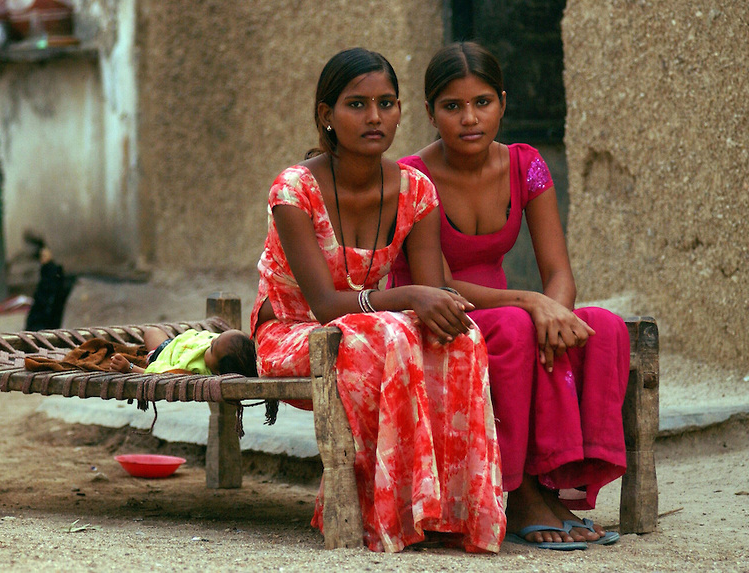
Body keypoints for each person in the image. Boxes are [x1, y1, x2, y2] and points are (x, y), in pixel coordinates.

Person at [250, 47, 505, 553]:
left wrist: (438, 309)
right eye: (357, 105)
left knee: (461, 338)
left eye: (387, 103)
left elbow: (432, 300)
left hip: (368, 334)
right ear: (327, 115)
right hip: (293, 337)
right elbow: (323, 305)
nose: (374, 117)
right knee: (387, 332)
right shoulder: (294, 190)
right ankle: (376, 511)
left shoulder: (416, 191)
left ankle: (445, 512)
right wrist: (409, 295)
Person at [389, 41, 628, 550]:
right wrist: (532, 304)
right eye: (452, 107)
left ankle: (552, 484)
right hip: (440, 312)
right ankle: (516, 491)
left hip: (507, 314)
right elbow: (442, 284)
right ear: (431, 113)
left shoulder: (527, 165)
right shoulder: (414, 176)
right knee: (521, 326)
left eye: (482, 103)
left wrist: (553, 309)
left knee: (601, 325)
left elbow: (558, 270)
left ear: (503, 102)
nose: (469, 119)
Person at [109, 326, 257, 378]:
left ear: (217, 372)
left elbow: (160, 375)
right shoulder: (223, 348)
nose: (211, 342)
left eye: (212, 349)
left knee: (151, 332)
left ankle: (149, 356)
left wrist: (129, 368)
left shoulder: (192, 372)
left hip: (163, 354)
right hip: (178, 345)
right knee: (153, 332)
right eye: (216, 338)